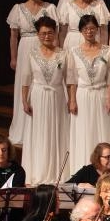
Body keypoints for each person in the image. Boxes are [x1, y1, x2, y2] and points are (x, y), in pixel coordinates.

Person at [66, 16, 110, 175]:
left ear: (97, 30)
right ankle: (84, 169)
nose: (89, 31)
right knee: (84, 130)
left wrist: (109, 98)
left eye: (92, 28)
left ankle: (106, 168)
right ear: (81, 31)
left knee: (102, 130)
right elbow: (72, 78)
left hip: (101, 95)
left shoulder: (107, 50)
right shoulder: (74, 51)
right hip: (82, 95)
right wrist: (72, 100)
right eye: (86, 29)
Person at [20, 18, 67, 184]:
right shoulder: (31, 53)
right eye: (43, 33)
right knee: (39, 132)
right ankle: (38, 171)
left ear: (55, 33)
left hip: (57, 96)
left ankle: (55, 171)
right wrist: (25, 101)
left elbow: (69, 79)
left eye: (50, 33)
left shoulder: (63, 53)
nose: (47, 36)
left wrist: (71, 99)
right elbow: (26, 79)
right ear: (38, 35)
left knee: (56, 131)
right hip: (38, 96)